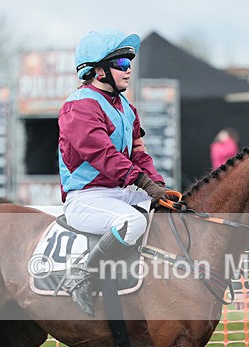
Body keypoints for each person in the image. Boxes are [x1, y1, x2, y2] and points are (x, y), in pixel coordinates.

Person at [58, 30, 170, 317]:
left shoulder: (126, 109)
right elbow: (101, 155)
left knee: (171, 216)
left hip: (122, 192)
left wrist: (157, 185)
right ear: (98, 71)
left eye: (129, 63)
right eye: (121, 64)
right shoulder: (79, 105)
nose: (128, 69)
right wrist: (143, 182)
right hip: (86, 198)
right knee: (132, 222)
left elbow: (139, 154)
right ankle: (82, 275)